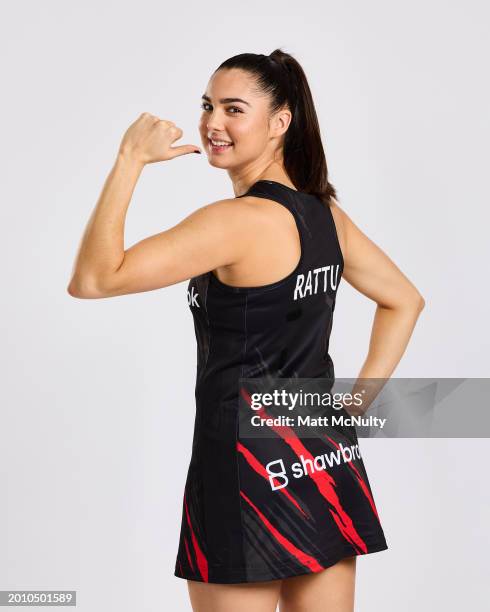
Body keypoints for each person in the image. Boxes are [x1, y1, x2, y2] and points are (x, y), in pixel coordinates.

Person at [68, 49, 425, 612]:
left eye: (235, 109)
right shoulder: (324, 215)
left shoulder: (234, 223)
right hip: (321, 454)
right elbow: (404, 300)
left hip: (243, 467)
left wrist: (129, 159)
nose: (213, 123)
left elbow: (93, 279)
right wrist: (354, 406)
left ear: (280, 122)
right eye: (208, 105)